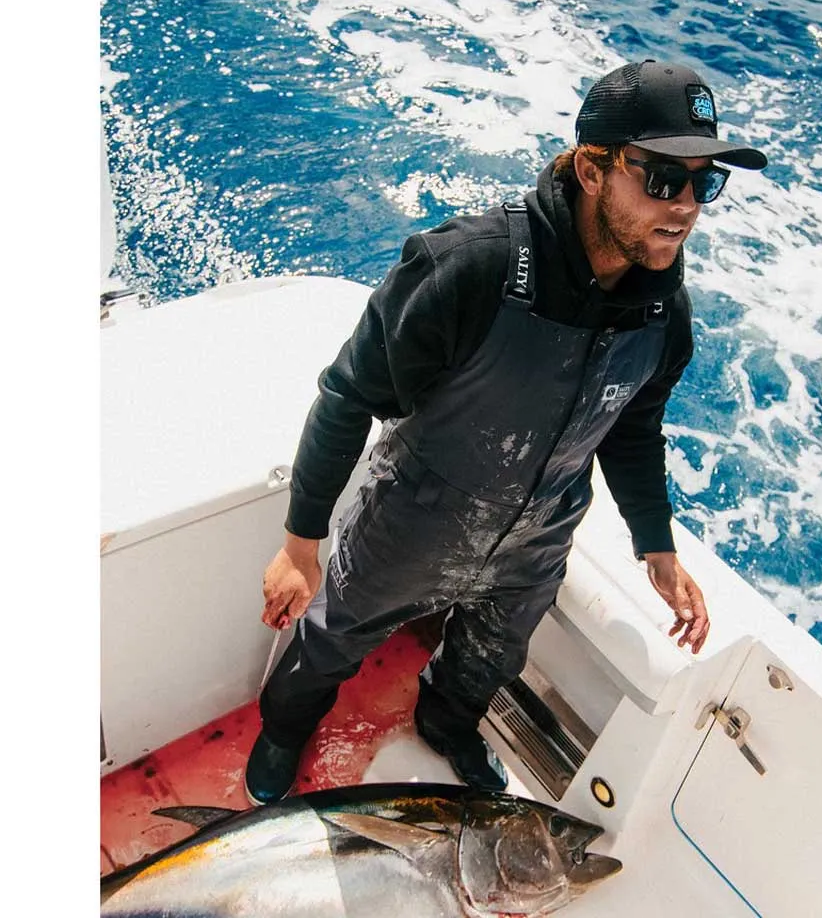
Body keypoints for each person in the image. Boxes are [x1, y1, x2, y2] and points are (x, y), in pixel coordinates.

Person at [245, 59, 767, 805]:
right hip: (414, 523)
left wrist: (656, 546)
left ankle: (447, 722)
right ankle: (285, 730)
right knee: (333, 639)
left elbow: (631, 427)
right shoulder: (468, 269)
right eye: (662, 179)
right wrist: (301, 545)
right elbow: (347, 395)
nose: (685, 206)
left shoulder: (664, 314)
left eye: (703, 183)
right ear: (592, 169)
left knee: (490, 657)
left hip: (537, 540)